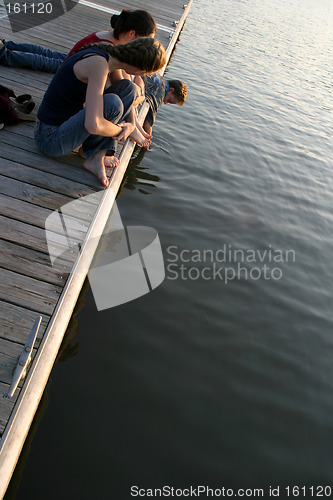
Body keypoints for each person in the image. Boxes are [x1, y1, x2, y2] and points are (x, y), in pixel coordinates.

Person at [34, 38, 166, 188]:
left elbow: (125, 94)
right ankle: (94, 156)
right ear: (140, 71)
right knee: (112, 103)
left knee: (128, 88)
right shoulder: (99, 65)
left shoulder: (110, 54)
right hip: (49, 138)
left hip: (60, 125)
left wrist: (133, 124)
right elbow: (93, 125)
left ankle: (97, 157)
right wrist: (125, 130)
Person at [0, 9, 156, 73]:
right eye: (143, 42)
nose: (143, 47)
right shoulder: (111, 47)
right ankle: (5, 54)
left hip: (73, 56)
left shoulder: (112, 36)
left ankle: (6, 44)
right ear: (131, 33)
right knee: (40, 60)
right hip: (70, 65)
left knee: (44, 53)